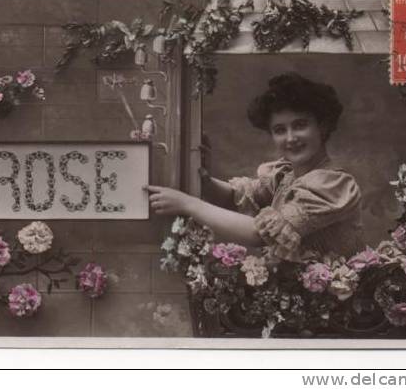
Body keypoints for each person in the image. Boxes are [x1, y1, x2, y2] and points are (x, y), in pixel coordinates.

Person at [146, 72, 364, 262]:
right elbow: (236, 197)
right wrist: (203, 178)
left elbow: (257, 235)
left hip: (332, 304)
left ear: (323, 126)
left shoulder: (333, 185)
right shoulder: (285, 176)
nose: (290, 138)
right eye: (279, 130)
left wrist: (188, 204)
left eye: (300, 125)